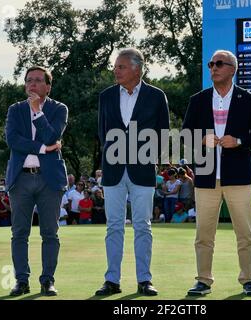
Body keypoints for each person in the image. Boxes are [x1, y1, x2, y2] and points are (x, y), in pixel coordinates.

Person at [182, 50, 251, 297]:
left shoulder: (248, 99)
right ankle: (203, 281)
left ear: (232, 69)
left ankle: (249, 280)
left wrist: (238, 140)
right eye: (211, 64)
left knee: (245, 234)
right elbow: (186, 133)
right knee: (203, 235)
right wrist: (203, 139)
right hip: (206, 177)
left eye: (219, 64)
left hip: (239, 176)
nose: (213, 68)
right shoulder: (198, 99)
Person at [96, 48, 169, 296]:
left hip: (143, 170)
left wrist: (150, 157)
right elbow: (102, 133)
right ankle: (112, 280)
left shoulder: (157, 96)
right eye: (116, 66)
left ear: (137, 69)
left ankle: (144, 280)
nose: (115, 70)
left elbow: (163, 133)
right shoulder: (105, 96)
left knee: (143, 226)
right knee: (113, 226)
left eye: (121, 67)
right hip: (113, 170)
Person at [5, 65, 68, 297]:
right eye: (28, 80)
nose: (32, 84)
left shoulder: (59, 109)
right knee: (19, 233)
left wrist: (37, 112)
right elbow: (13, 140)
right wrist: (43, 148)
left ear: (48, 87)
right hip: (21, 179)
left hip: (49, 180)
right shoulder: (15, 110)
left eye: (38, 80)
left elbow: (53, 135)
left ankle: (47, 280)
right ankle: (21, 281)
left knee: (50, 233)